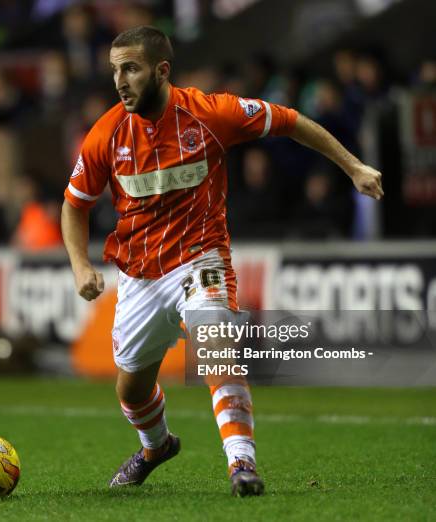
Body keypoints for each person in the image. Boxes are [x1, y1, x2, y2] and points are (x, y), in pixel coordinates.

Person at [60, 26, 383, 497]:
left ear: (161, 70)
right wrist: (79, 265)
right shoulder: (107, 133)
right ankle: (156, 447)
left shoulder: (210, 113)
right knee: (130, 391)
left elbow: (290, 120)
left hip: (200, 258)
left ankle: (242, 466)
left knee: (217, 348)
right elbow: (74, 205)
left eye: (130, 68)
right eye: (115, 70)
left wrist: (353, 166)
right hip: (139, 276)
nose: (120, 80)